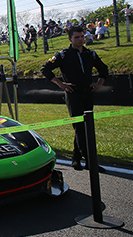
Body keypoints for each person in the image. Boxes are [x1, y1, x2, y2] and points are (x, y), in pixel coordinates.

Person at [41, 25, 109, 171]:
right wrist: (60, 83)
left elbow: (104, 69)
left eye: (82, 36)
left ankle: (76, 158)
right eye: (77, 37)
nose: (80, 39)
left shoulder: (91, 54)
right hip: (73, 94)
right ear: (70, 39)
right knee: (79, 127)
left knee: (85, 126)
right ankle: (90, 160)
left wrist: (99, 84)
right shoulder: (63, 55)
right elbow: (45, 69)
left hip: (87, 93)